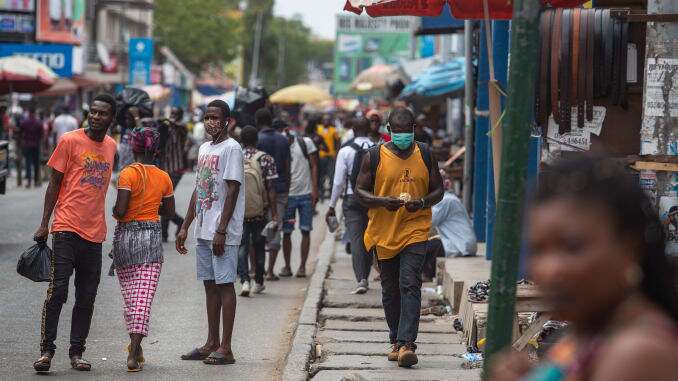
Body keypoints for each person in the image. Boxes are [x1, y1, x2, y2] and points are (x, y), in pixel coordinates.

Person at [488, 155, 678, 381]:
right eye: (538, 250)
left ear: (629, 248)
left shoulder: (636, 354)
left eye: (572, 247)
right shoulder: (589, 335)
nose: (550, 269)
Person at [32, 94, 118, 373]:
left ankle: (77, 352)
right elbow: (54, 185)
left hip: (94, 234)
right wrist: (45, 223)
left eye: (102, 113)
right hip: (66, 227)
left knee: (87, 296)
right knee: (57, 290)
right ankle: (46, 351)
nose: (95, 117)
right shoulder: (69, 140)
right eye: (92, 112)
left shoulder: (111, 146)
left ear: (110, 118)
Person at [355, 106, 443, 368]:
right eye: (398, 132)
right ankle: (395, 339)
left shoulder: (425, 153)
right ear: (389, 131)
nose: (403, 137)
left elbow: (438, 190)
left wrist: (423, 202)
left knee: (410, 283)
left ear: (414, 130)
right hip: (383, 231)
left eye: (408, 132)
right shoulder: (373, 156)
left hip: (415, 228)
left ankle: (407, 344)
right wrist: (382, 201)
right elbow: (359, 191)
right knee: (390, 290)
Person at [176, 99, 244, 365]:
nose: (210, 122)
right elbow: (199, 188)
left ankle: (226, 347)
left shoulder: (232, 149)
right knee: (209, 284)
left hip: (222, 232)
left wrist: (222, 230)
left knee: (225, 285)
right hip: (203, 229)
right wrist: (185, 225)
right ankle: (211, 342)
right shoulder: (204, 148)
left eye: (215, 117)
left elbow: (233, 190)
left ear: (227, 121)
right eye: (207, 118)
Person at [111, 126, 175, 372]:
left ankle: (134, 347)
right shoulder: (164, 177)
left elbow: (121, 211)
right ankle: (133, 350)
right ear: (156, 149)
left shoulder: (127, 174)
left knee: (131, 299)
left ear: (134, 148)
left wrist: (116, 211)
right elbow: (169, 212)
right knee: (143, 298)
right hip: (150, 238)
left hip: (125, 238)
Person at [327, 117, 374, 294]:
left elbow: (338, 182)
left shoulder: (345, 150)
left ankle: (361, 278)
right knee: (371, 237)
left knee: (356, 238)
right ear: (369, 129)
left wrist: (332, 206)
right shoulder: (378, 149)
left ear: (353, 130)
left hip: (352, 198)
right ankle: (366, 273)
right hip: (374, 200)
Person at [237, 125, 278, 296]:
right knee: (259, 245)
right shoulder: (266, 159)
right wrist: (274, 212)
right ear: (256, 140)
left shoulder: (234, 156)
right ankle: (259, 281)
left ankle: (245, 281)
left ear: (241, 140)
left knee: (241, 246)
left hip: (239, 211)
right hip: (259, 211)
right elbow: (270, 188)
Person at [422, 170, 477, 281]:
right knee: (432, 242)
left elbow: (428, 222)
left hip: (460, 245)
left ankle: (426, 274)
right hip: (462, 243)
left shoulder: (445, 201)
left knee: (425, 246)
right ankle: (426, 274)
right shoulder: (449, 198)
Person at [255, 110, 291, 281]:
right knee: (275, 227)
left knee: (257, 228)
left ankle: (256, 270)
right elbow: (287, 166)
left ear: (258, 121)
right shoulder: (283, 140)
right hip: (281, 189)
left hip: (259, 191)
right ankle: (269, 271)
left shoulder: (257, 139)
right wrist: (287, 188)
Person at [281, 121, 319, 278]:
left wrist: (315, 190)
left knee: (305, 230)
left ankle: (302, 266)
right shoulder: (281, 146)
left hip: (305, 196)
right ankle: (287, 266)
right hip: (288, 198)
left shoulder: (306, 142)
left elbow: (314, 166)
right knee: (287, 232)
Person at [159, 107, 188, 242]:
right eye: (171, 113)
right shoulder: (165, 128)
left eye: (175, 114)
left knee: (165, 200)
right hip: (165, 169)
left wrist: (169, 121)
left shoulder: (182, 128)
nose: (173, 116)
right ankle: (177, 223)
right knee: (163, 201)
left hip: (176, 169)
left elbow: (181, 128)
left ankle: (164, 233)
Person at [19, 106, 44, 188]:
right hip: (36, 145)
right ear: (35, 113)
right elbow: (41, 134)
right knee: (36, 163)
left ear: (29, 113)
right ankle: (36, 181)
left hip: (27, 145)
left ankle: (29, 182)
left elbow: (21, 131)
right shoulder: (38, 122)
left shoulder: (25, 122)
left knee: (28, 163)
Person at [317, 114, 340, 200]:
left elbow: (338, 142)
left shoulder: (333, 130)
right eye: (324, 119)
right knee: (321, 175)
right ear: (322, 121)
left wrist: (337, 153)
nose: (325, 121)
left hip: (331, 156)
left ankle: (331, 192)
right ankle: (321, 192)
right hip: (321, 156)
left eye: (327, 120)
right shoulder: (318, 128)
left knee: (331, 174)